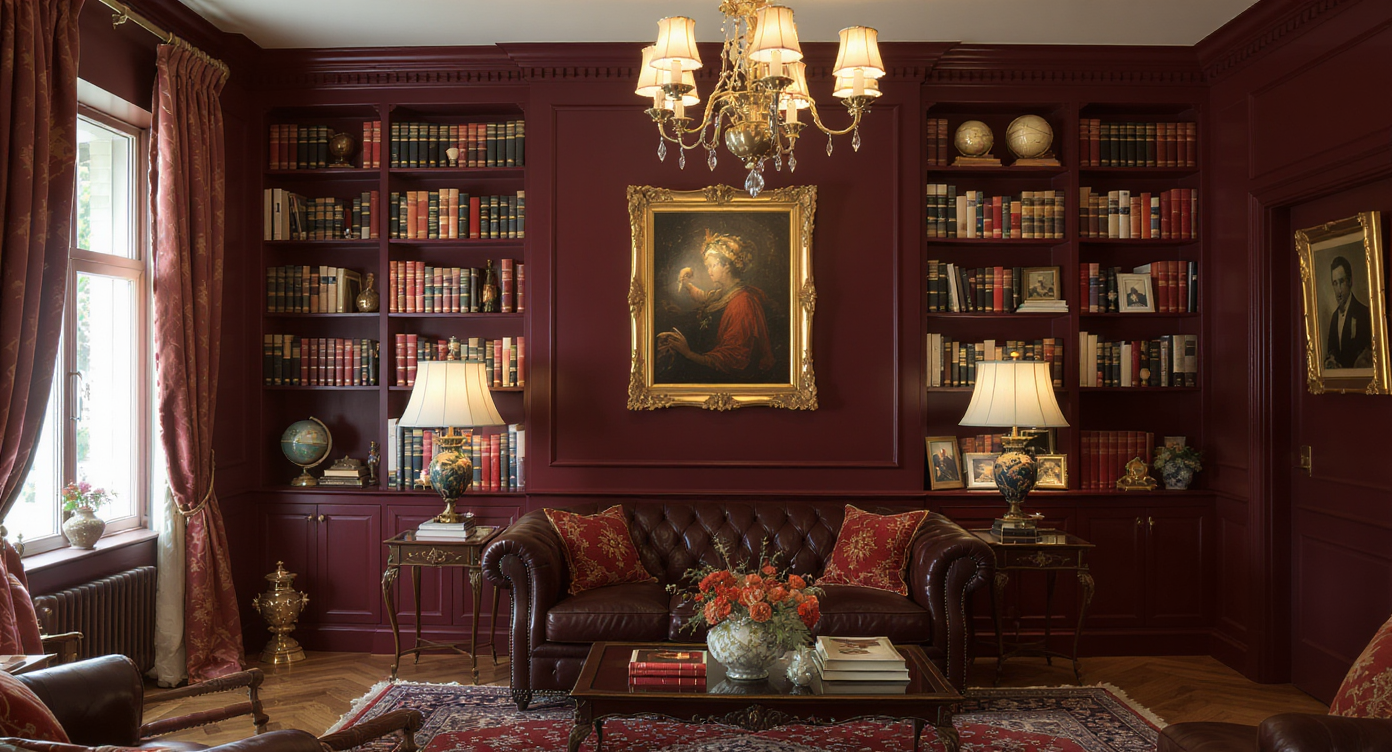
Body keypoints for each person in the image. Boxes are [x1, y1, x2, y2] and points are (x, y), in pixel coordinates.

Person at [657, 230, 775, 381]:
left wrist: (688, 354)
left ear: (726, 265)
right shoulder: (725, 292)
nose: (709, 271)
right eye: (707, 267)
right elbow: (705, 297)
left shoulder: (743, 303)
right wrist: (687, 285)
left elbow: (733, 359)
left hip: (722, 375)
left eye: (712, 265)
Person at [1324, 255, 1372, 369]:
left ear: (1350, 282)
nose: (1338, 291)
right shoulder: (1334, 317)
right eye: (1335, 283)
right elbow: (1331, 350)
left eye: (1342, 282)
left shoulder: (1364, 313)